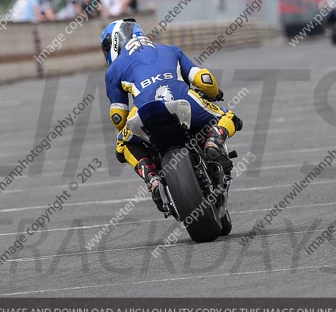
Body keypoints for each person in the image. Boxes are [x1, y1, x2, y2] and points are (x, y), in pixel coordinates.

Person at [101, 18, 242, 211]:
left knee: (122, 144)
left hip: (145, 112)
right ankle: (213, 141)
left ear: (114, 44)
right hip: (185, 101)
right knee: (230, 117)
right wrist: (214, 94)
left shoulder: (114, 70)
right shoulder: (170, 49)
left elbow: (118, 117)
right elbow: (204, 80)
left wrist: (125, 126)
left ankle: (152, 179)